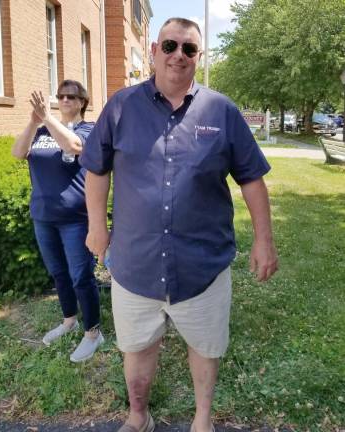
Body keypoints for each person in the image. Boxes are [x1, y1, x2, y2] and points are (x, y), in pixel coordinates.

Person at [80, 17, 278, 432]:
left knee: (206, 349)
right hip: (135, 264)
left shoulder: (220, 110)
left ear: (198, 57)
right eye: (170, 45)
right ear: (154, 50)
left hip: (201, 264)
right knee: (136, 348)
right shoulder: (120, 106)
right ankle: (138, 416)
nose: (178, 56)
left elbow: (251, 179)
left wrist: (265, 240)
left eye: (189, 49)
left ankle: (202, 420)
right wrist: (96, 226)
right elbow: (96, 169)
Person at [12, 79, 104, 363]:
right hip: (43, 216)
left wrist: (48, 117)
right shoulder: (41, 131)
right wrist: (33, 121)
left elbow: (74, 145)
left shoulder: (89, 129)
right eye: (61, 96)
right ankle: (69, 321)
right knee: (59, 273)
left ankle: (93, 332)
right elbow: (18, 153)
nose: (64, 100)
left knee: (81, 276)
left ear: (81, 103)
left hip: (75, 219)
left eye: (71, 96)